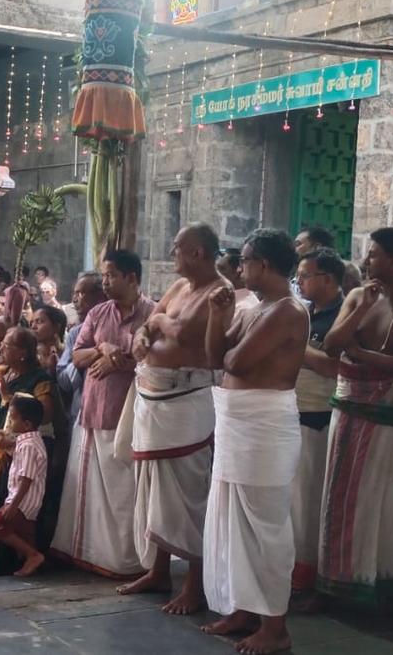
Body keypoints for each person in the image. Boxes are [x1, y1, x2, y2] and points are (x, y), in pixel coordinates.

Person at [201, 228, 309, 655]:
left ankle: (275, 627)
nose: (238, 269)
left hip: (264, 424)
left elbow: (238, 362)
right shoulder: (252, 306)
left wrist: (229, 341)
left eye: (243, 261)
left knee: (265, 525)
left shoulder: (287, 311)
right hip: (238, 420)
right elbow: (214, 358)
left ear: (263, 264)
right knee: (233, 520)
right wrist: (216, 316)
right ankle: (244, 608)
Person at [318, 227, 393, 608]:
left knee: (379, 502)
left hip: (388, 420)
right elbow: (332, 346)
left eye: (373, 254)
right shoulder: (358, 295)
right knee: (338, 496)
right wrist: (360, 313)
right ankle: (333, 583)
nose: (367, 261)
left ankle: (379, 588)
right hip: (347, 411)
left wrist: (363, 354)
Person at [117, 224, 227, 613]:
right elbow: (154, 321)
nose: (171, 251)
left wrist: (159, 325)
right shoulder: (180, 287)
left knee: (187, 493)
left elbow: (179, 330)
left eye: (178, 247)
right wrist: (146, 335)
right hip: (153, 394)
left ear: (198, 253)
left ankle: (195, 585)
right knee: (153, 489)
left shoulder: (219, 292)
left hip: (187, 401)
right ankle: (159, 570)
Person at [51, 249, 155, 578]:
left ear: (132, 278)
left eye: (111, 275)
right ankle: (89, 555)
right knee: (90, 493)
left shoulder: (152, 312)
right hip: (93, 412)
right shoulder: (97, 314)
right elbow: (77, 356)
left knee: (125, 493)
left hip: (132, 417)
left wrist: (122, 360)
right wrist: (102, 349)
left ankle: (126, 561)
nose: (106, 282)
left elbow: (159, 359)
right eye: (104, 276)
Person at [0, 327, 56, 572]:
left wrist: (11, 398)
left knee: (12, 515)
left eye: (8, 344)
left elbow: (44, 414)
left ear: (23, 353)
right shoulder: (0, 373)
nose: (0, 347)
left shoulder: (40, 380)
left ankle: (15, 562)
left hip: (20, 454)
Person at [290, 249, 345, 606]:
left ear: (327, 279)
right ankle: (292, 571)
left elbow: (331, 366)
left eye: (306, 276)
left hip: (318, 418)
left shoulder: (343, 315)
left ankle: (310, 579)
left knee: (309, 505)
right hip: (292, 414)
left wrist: (295, 346)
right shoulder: (306, 312)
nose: (300, 282)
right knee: (292, 505)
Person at [0, 394, 49, 577]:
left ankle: (33, 556)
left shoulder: (29, 445)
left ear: (27, 424)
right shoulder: (30, 441)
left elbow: (26, 478)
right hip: (29, 502)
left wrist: (13, 505)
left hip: (21, 502)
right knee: (26, 535)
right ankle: (33, 562)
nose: (10, 423)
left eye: (12, 419)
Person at [58, 272, 106, 422]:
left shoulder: (117, 328)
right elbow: (63, 379)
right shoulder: (75, 333)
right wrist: (85, 360)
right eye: (75, 293)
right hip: (81, 413)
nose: (74, 300)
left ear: (101, 296)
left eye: (81, 293)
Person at [217, 248, 260, 314]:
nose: (215, 273)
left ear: (239, 271)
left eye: (220, 269)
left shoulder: (244, 308)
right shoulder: (223, 298)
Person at [32, 305, 67, 373]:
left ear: (56, 326)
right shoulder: (31, 355)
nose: (33, 327)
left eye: (39, 321)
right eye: (31, 323)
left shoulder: (68, 355)